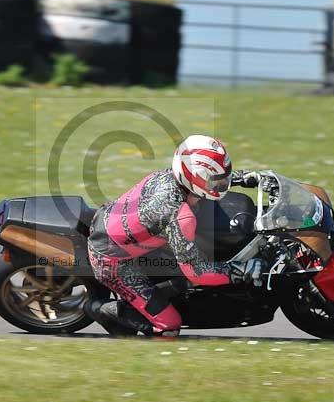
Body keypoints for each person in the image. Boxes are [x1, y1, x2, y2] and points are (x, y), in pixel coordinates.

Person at [83, 134, 264, 337]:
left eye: (226, 176)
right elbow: (197, 272)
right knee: (169, 326)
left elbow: (206, 180)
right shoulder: (179, 216)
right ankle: (99, 308)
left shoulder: (170, 176)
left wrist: (244, 177)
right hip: (111, 261)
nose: (222, 183)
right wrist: (237, 270)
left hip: (112, 222)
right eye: (217, 181)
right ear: (193, 177)